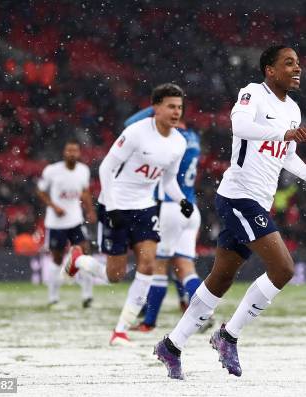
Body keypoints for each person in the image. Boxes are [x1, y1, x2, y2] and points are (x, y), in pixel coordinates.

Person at [154, 45, 306, 379]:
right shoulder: (252, 94)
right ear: (269, 69)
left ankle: (172, 345)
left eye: (298, 64)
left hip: (257, 201)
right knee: (283, 268)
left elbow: (286, 156)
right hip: (239, 198)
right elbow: (239, 128)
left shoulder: (293, 109)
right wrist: (283, 132)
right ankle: (228, 335)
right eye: (288, 63)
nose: (297, 69)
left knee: (220, 279)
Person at [62, 83, 194, 346]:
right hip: (115, 205)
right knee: (115, 275)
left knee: (147, 265)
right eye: (171, 106)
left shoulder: (179, 142)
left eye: (179, 107)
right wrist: (111, 207)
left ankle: (120, 330)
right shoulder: (135, 133)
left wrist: (181, 200)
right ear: (156, 108)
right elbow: (107, 168)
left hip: (146, 207)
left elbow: (168, 180)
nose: (176, 112)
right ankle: (80, 260)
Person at [122, 106, 206, 332]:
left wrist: (154, 108)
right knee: (186, 268)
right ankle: (204, 314)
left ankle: (149, 322)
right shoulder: (193, 138)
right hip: (190, 208)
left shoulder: (172, 140)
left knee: (158, 266)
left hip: (170, 206)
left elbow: (129, 124)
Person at [36, 139, 96, 308]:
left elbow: (85, 192)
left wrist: (90, 210)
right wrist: (54, 206)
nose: (72, 153)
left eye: (75, 150)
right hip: (56, 223)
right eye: (69, 150)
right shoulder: (52, 171)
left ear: (79, 153)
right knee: (56, 259)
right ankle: (53, 297)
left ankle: (87, 296)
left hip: (75, 220)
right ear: (64, 152)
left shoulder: (83, 171)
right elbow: (40, 191)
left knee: (84, 254)